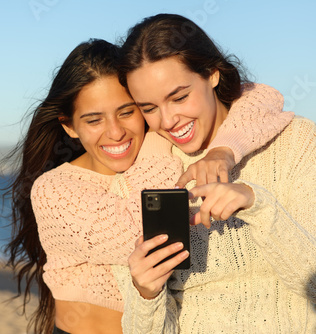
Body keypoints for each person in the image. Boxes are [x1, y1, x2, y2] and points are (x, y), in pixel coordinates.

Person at [1, 38, 291, 334]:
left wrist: (225, 150)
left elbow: (261, 99)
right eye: (93, 120)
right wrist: (154, 144)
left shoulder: (159, 148)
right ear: (69, 126)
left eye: (127, 112)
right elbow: (147, 236)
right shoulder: (54, 189)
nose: (115, 132)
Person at [113, 13, 316, 333]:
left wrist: (256, 204)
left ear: (212, 74)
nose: (168, 120)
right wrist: (145, 292)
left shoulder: (296, 142)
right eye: (148, 108)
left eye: (179, 97)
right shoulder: (147, 171)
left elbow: (314, 285)